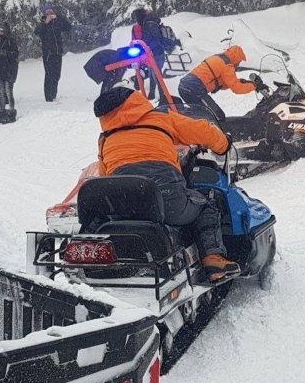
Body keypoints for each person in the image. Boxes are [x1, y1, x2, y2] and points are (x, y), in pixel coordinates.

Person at [94, 84, 241, 281]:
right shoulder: (162, 120)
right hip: (168, 199)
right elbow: (204, 131)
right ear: (136, 101)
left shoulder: (106, 138)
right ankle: (212, 258)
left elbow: (105, 174)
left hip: (124, 204)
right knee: (206, 204)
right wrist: (223, 144)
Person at [178, 45, 267, 121]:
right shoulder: (227, 65)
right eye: (239, 61)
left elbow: (223, 83)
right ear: (236, 58)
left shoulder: (218, 58)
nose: (238, 64)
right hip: (195, 88)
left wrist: (242, 82)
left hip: (185, 86)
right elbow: (237, 89)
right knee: (217, 116)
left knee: (201, 115)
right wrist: (255, 86)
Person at [131, 7, 178, 98]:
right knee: (153, 73)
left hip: (156, 53)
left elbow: (155, 39)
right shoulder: (148, 23)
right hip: (153, 53)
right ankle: (152, 94)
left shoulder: (149, 24)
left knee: (156, 75)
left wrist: (148, 48)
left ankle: (163, 96)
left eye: (136, 18)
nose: (136, 20)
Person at [33, 5, 71, 102]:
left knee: (57, 74)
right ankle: (48, 97)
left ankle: (54, 95)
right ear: (45, 13)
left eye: (51, 11)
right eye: (48, 12)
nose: (50, 13)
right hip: (48, 53)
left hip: (57, 52)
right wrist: (46, 22)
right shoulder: (42, 24)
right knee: (49, 74)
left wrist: (59, 17)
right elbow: (37, 32)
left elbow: (68, 27)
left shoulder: (57, 22)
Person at [0, 19, 20, 123]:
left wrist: (1, 53)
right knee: (1, 92)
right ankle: (1, 111)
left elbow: (15, 53)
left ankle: (11, 111)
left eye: (2, 30)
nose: (0, 32)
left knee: (8, 91)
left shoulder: (10, 39)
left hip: (9, 68)